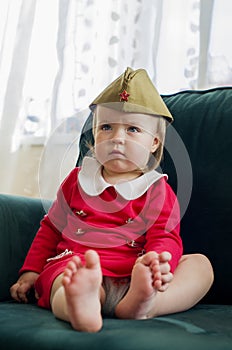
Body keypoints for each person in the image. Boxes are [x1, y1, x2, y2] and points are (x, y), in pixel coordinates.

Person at [10, 67, 214, 333]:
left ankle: (146, 304)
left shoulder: (157, 191)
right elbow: (50, 228)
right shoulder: (77, 180)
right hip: (79, 265)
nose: (117, 138)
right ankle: (80, 305)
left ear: (154, 142)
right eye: (106, 127)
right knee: (64, 280)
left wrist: (156, 263)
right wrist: (31, 271)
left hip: (134, 275)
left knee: (201, 266)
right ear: (95, 136)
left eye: (132, 129)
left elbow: (166, 236)